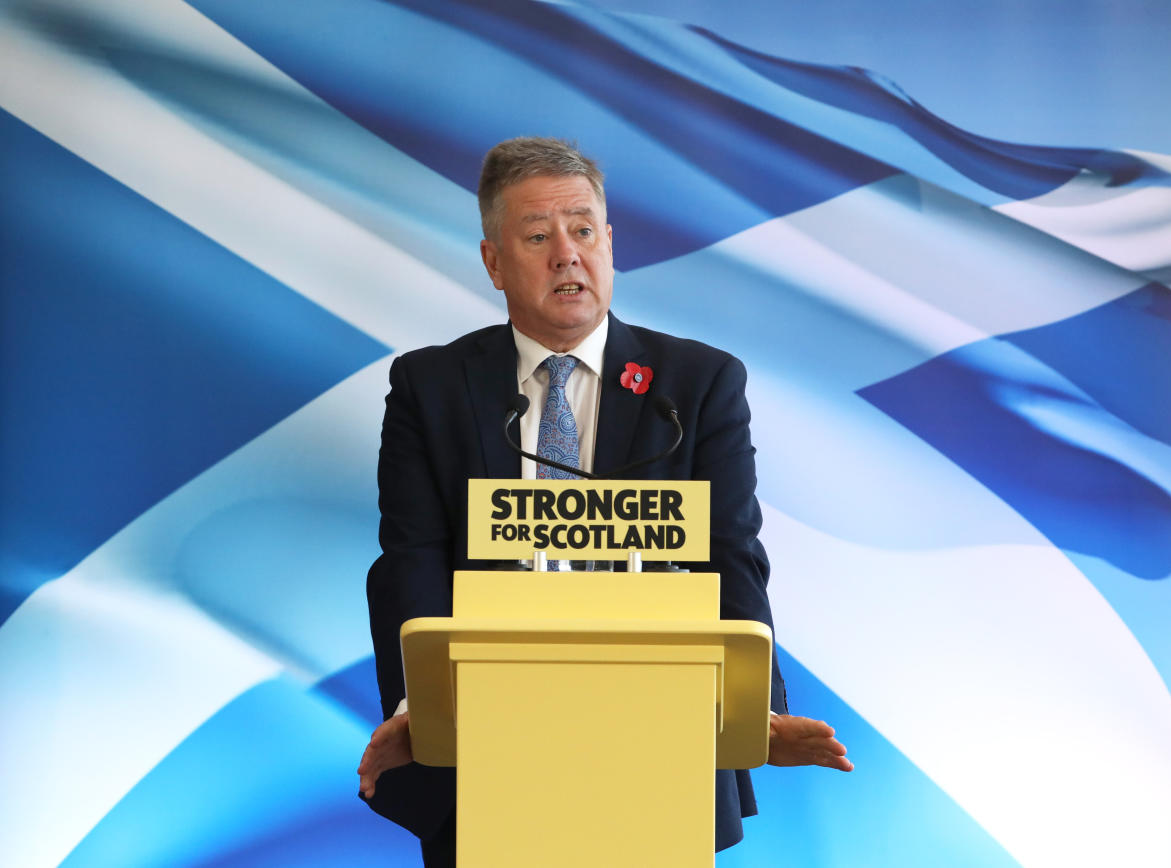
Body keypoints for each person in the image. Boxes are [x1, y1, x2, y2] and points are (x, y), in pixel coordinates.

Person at [358, 137, 852, 867]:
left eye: (583, 230)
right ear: (494, 261)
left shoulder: (697, 386)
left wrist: (755, 710)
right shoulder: (431, 389)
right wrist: (421, 710)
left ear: (610, 243)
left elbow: (731, 556)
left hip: (659, 742)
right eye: (537, 236)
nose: (567, 254)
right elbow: (412, 560)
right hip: (486, 743)